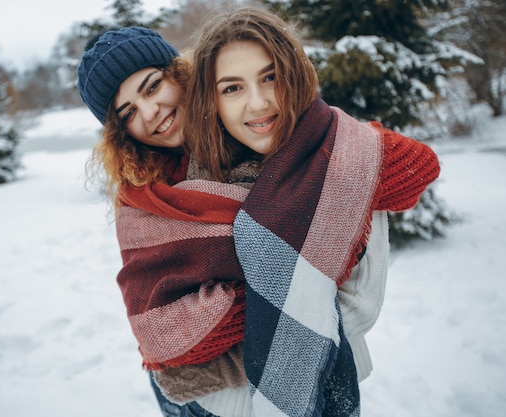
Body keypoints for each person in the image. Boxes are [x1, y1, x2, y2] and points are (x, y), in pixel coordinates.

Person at [77, 26, 390, 417]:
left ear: (180, 72)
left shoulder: (292, 142)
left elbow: (357, 304)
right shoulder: (142, 198)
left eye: (152, 87)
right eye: (128, 114)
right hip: (196, 405)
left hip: (312, 388)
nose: (150, 112)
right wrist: (282, 294)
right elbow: (157, 332)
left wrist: (247, 314)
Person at [184, 6, 441, 417]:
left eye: (270, 77)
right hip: (209, 405)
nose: (258, 102)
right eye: (232, 88)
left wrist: (237, 323)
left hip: (321, 388)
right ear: (210, 101)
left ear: (294, 74)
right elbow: (169, 320)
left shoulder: (345, 166)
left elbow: (358, 307)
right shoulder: (196, 177)